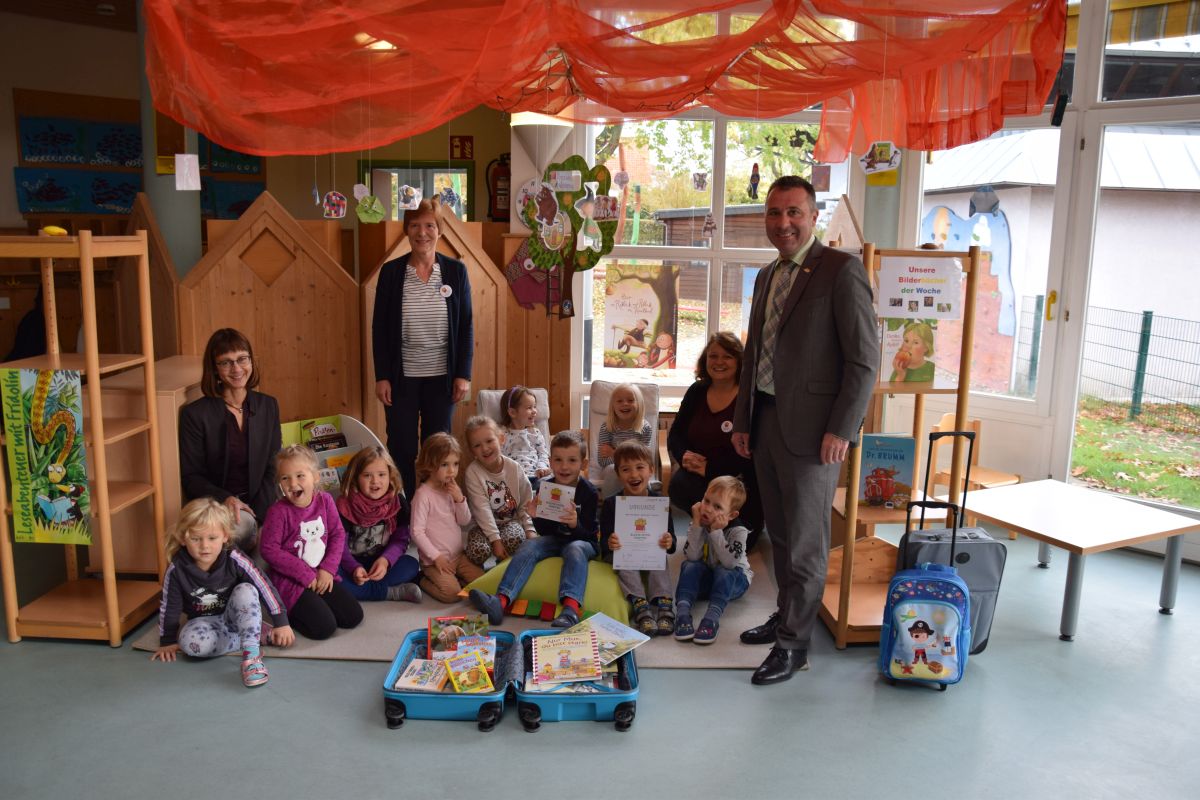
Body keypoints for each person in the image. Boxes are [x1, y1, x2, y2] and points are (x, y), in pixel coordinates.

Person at [732, 176, 879, 685]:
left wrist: (842, 429)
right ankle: (785, 616)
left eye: (794, 212)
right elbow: (755, 354)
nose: (784, 223)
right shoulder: (767, 275)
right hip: (767, 421)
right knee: (779, 534)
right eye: (774, 213)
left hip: (817, 434)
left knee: (806, 543)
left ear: (813, 216)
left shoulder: (841, 270)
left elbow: (864, 361)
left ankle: (794, 644)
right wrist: (744, 419)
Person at [372, 196, 473, 497]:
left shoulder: (455, 271)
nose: (422, 232)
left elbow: (466, 325)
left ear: (439, 230)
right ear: (406, 230)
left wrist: (463, 374)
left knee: (438, 448)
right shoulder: (392, 272)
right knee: (401, 445)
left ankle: (435, 506)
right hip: (401, 377)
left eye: (429, 225)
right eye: (415, 225)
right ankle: (404, 509)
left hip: (443, 378)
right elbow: (379, 328)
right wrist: (382, 376)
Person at [152, 498, 294, 688]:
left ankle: (251, 655)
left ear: (225, 536)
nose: (205, 546)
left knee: (247, 590)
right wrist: (167, 640)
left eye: (212, 538)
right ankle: (253, 633)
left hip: (236, 614)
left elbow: (263, 585)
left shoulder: (234, 557)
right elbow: (169, 606)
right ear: (183, 539)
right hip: (203, 622)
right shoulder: (177, 569)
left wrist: (281, 622)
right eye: (196, 539)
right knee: (189, 645)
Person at [469, 430, 599, 629]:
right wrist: (536, 516)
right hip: (555, 539)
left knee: (574, 548)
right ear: (550, 461)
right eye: (558, 460)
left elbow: (591, 533)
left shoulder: (589, 492)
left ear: (583, 464)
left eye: (572, 460)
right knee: (530, 545)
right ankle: (500, 601)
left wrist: (575, 525)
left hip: (582, 542)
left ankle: (571, 610)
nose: (564, 466)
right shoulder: (547, 487)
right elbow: (545, 531)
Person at [179, 329, 281, 553]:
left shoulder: (268, 405)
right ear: (214, 368)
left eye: (242, 359)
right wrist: (226, 499)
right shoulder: (195, 415)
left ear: (251, 361)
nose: (236, 369)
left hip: (262, 505)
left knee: (273, 542)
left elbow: (273, 466)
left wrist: (260, 518)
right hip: (219, 508)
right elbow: (191, 477)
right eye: (226, 362)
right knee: (242, 531)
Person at [668, 332, 763, 549]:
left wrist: (710, 469)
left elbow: (753, 449)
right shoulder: (697, 391)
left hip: (739, 482)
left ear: (739, 361)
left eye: (727, 356)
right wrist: (684, 456)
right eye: (713, 356)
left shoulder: (750, 397)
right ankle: (706, 525)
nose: (719, 362)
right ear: (705, 360)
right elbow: (676, 434)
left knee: (739, 547)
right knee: (679, 485)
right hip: (700, 481)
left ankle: (720, 527)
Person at [259, 445, 364, 640]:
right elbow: (268, 549)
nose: (293, 483)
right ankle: (288, 610)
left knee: (353, 616)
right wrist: (305, 574)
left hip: (321, 574)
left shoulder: (325, 501)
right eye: (285, 478)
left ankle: (314, 602)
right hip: (291, 580)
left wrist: (328, 570)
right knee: (324, 628)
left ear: (315, 477)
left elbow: (337, 534)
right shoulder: (278, 511)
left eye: (300, 476)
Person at [600, 440, 676, 637]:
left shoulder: (659, 504)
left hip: (650, 552)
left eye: (640, 467)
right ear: (618, 474)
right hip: (624, 553)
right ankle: (641, 606)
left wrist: (669, 542)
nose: (633, 475)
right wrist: (610, 542)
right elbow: (603, 543)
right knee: (625, 559)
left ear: (651, 470)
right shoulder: (611, 504)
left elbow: (672, 543)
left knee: (660, 557)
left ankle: (664, 604)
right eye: (626, 469)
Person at [335, 446, 422, 603]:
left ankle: (365, 590)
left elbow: (400, 540)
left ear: (390, 476)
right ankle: (390, 592)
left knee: (412, 564)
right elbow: (339, 548)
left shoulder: (397, 503)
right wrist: (354, 568)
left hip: (380, 561)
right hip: (351, 565)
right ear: (355, 478)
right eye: (367, 475)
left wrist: (385, 561)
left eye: (381, 474)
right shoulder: (344, 506)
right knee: (330, 575)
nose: (375, 481)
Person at [673, 476, 753, 646]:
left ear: (731, 515)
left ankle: (711, 618)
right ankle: (682, 613)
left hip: (735, 581)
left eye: (717, 507)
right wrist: (696, 525)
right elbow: (692, 557)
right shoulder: (698, 523)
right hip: (709, 577)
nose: (708, 509)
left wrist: (716, 532)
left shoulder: (739, 531)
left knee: (724, 571)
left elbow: (729, 563)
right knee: (689, 565)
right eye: (706, 501)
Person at [408, 432, 483, 603]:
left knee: (482, 582)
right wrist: (436, 557)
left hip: (458, 556)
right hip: (434, 561)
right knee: (452, 594)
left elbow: (464, 521)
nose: (452, 470)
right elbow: (416, 532)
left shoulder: (452, 489)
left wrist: (459, 499)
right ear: (429, 465)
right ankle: (421, 579)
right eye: (444, 464)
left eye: (455, 464)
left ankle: (456, 578)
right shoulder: (422, 495)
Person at [462, 416, 536, 567]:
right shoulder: (472, 472)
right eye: (477, 445)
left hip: (509, 522)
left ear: (501, 439)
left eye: (489, 441)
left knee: (517, 539)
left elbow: (526, 502)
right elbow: (482, 509)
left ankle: (503, 568)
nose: (485, 448)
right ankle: (476, 573)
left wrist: (529, 529)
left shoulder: (514, 468)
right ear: (472, 451)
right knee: (477, 550)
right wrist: (495, 539)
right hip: (482, 526)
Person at [596, 383, 654, 498]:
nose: (625, 404)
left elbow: (646, 460)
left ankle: (645, 505)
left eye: (630, 400)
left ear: (639, 404)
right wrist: (631, 458)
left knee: (642, 472)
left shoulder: (645, 428)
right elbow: (602, 461)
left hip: (637, 469)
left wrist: (614, 453)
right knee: (613, 470)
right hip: (613, 469)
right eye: (619, 401)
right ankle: (611, 504)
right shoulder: (607, 427)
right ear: (613, 405)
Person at [499, 385, 551, 493]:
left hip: (536, 477)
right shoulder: (502, 434)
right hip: (514, 480)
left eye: (534, 406)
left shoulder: (535, 433)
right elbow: (499, 457)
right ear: (512, 412)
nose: (534, 411)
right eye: (529, 408)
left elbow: (543, 454)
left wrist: (541, 467)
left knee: (549, 483)